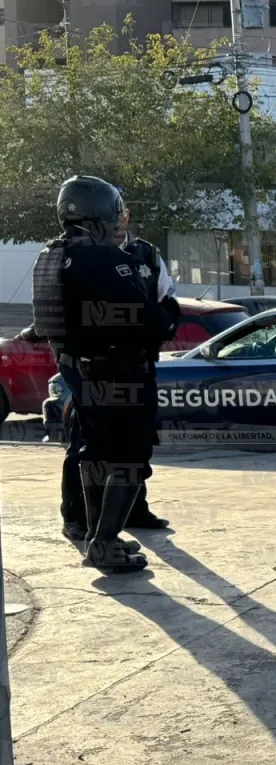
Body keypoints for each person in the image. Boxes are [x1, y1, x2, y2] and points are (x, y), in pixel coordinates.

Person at [44, 176, 175, 572]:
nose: (120, 215)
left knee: (95, 453)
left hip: (82, 373)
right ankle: (103, 541)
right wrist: (164, 319)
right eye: (115, 207)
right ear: (99, 211)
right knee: (131, 456)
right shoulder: (101, 258)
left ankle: (102, 538)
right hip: (120, 374)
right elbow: (154, 319)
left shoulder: (55, 253)